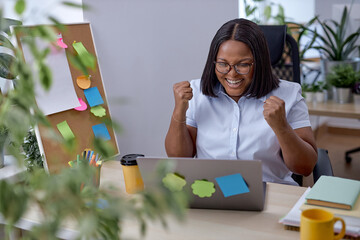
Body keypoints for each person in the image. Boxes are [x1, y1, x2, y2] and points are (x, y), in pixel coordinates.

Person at [165, 18, 317, 185]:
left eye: (243, 65)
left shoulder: (289, 94)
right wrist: (179, 110)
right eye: (223, 64)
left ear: (260, 63)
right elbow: (179, 157)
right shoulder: (197, 93)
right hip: (211, 191)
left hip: (269, 190)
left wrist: (282, 127)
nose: (232, 74)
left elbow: (305, 167)